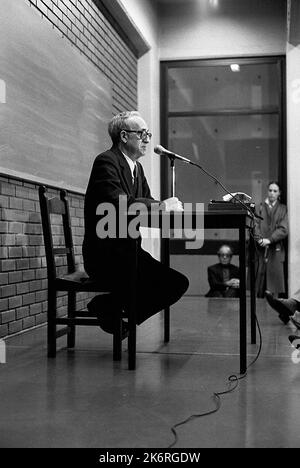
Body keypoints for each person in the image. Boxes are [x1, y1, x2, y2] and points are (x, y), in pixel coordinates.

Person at [82, 111, 189, 334]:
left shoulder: (136, 168)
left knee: (176, 283)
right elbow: (119, 204)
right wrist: (162, 206)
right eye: (142, 134)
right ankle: (110, 308)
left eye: (148, 134)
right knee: (167, 283)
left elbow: (147, 203)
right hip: (106, 256)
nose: (148, 139)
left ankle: (108, 307)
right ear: (123, 136)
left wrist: (168, 208)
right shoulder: (106, 161)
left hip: (129, 253)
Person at [254, 181, 288, 298]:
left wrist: (270, 240)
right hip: (260, 249)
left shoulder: (283, 209)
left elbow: (283, 229)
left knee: (274, 286)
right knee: (258, 283)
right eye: (270, 190)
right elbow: (255, 225)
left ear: (279, 193)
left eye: (275, 191)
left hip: (275, 249)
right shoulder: (259, 207)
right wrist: (259, 239)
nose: (272, 193)